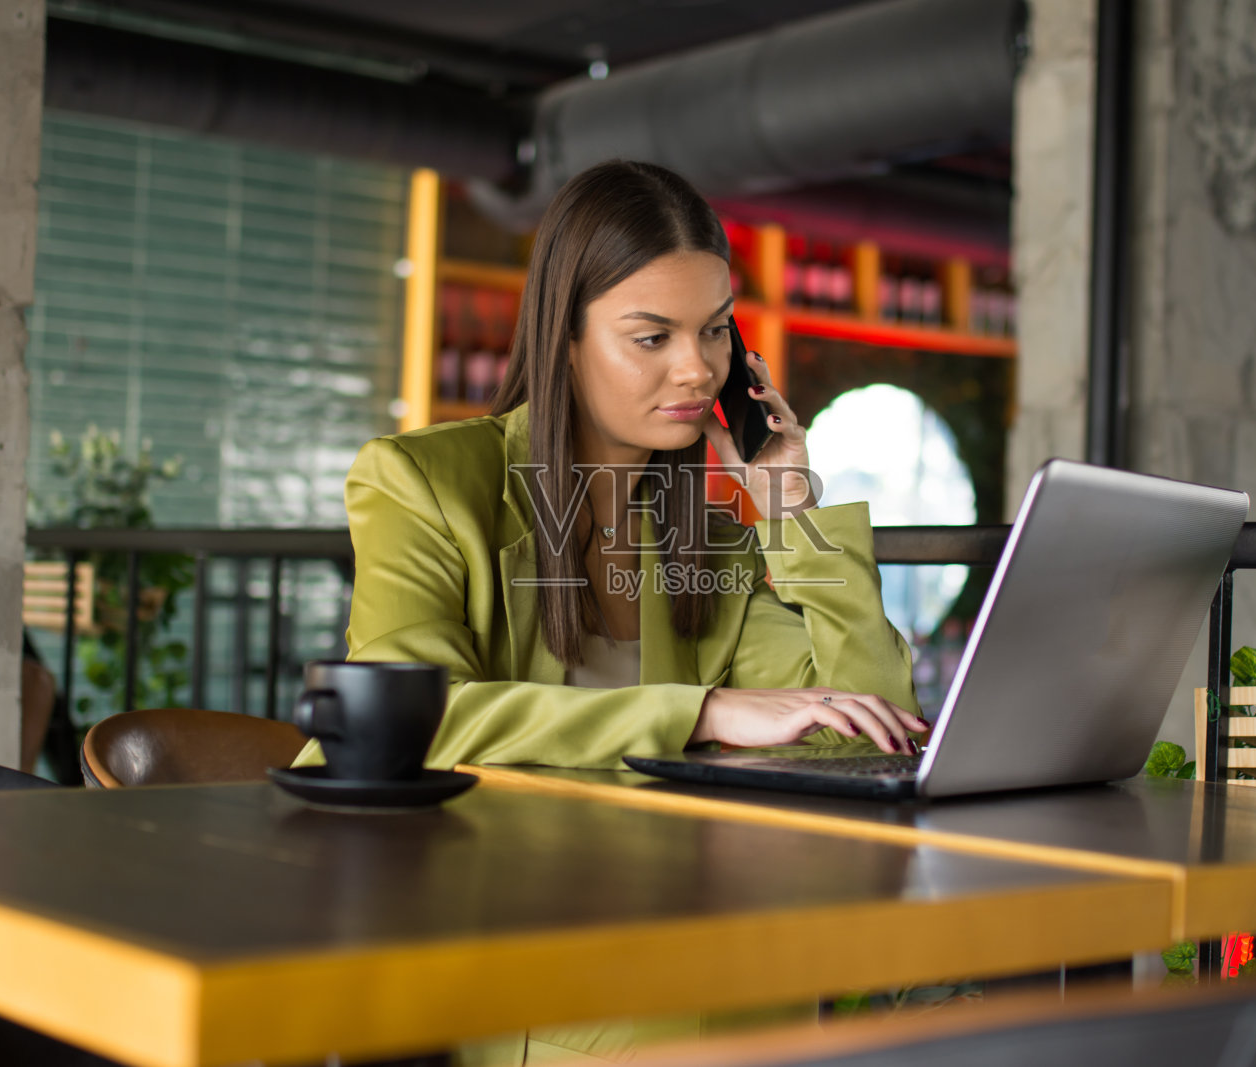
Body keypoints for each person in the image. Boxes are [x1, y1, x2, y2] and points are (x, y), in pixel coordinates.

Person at [292, 159, 926, 1063]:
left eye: (714, 331)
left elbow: (869, 720)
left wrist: (792, 511)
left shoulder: (706, 532)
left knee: (782, 983)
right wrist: (699, 710)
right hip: (496, 925)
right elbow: (419, 716)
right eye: (652, 336)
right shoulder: (426, 483)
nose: (699, 368)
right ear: (566, 337)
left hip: (670, 907)